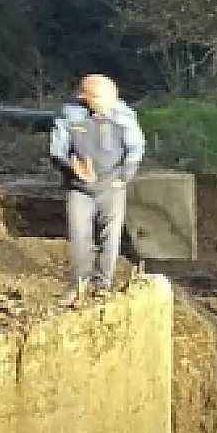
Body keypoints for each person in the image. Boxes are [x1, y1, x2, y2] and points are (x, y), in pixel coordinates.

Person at [49, 74, 145, 306]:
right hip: (79, 187)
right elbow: (57, 150)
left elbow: (136, 148)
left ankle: (102, 285)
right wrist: (72, 167)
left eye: (112, 96)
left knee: (110, 237)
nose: (110, 102)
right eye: (102, 98)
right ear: (85, 98)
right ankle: (79, 285)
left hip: (111, 185)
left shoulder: (124, 118)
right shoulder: (69, 117)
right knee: (79, 236)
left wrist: (123, 178)